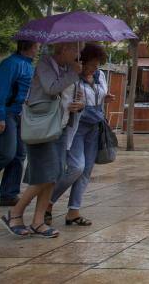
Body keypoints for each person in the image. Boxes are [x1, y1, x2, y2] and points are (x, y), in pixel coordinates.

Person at [4, 42, 81, 238]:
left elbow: (71, 95)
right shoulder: (45, 65)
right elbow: (50, 88)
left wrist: (80, 104)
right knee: (44, 175)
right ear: (63, 49)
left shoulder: (66, 68)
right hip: (42, 127)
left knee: (54, 175)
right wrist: (73, 73)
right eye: (75, 49)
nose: (77, 53)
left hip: (61, 127)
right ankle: (15, 212)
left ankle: (38, 221)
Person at [46, 44, 113, 226]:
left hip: (95, 127)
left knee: (86, 170)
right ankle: (48, 202)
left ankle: (73, 211)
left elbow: (99, 97)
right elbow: (64, 99)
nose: (94, 68)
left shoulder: (100, 76)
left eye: (97, 64)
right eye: (91, 64)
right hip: (76, 127)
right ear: (81, 62)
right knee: (76, 167)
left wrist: (104, 98)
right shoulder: (72, 77)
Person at [0, 40, 38, 207]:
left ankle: (9, 194)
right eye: (37, 46)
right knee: (6, 153)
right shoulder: (11, 64)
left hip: (20, 114)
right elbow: (0, 90)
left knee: (19, 155)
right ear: (29, 46)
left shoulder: (29, 66)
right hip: (6, 113)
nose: (39, 48)